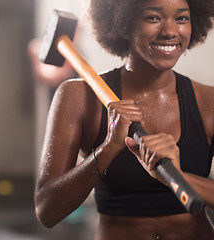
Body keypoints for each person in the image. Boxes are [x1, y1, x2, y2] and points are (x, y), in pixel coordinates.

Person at [34, 0, 214, 239]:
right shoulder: (77, 97)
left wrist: (179, 177)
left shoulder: (209, 101)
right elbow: (47, 211)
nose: (170, 31)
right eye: (153, 17)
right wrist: (108, 148)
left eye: (181, 18)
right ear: (123, 22)